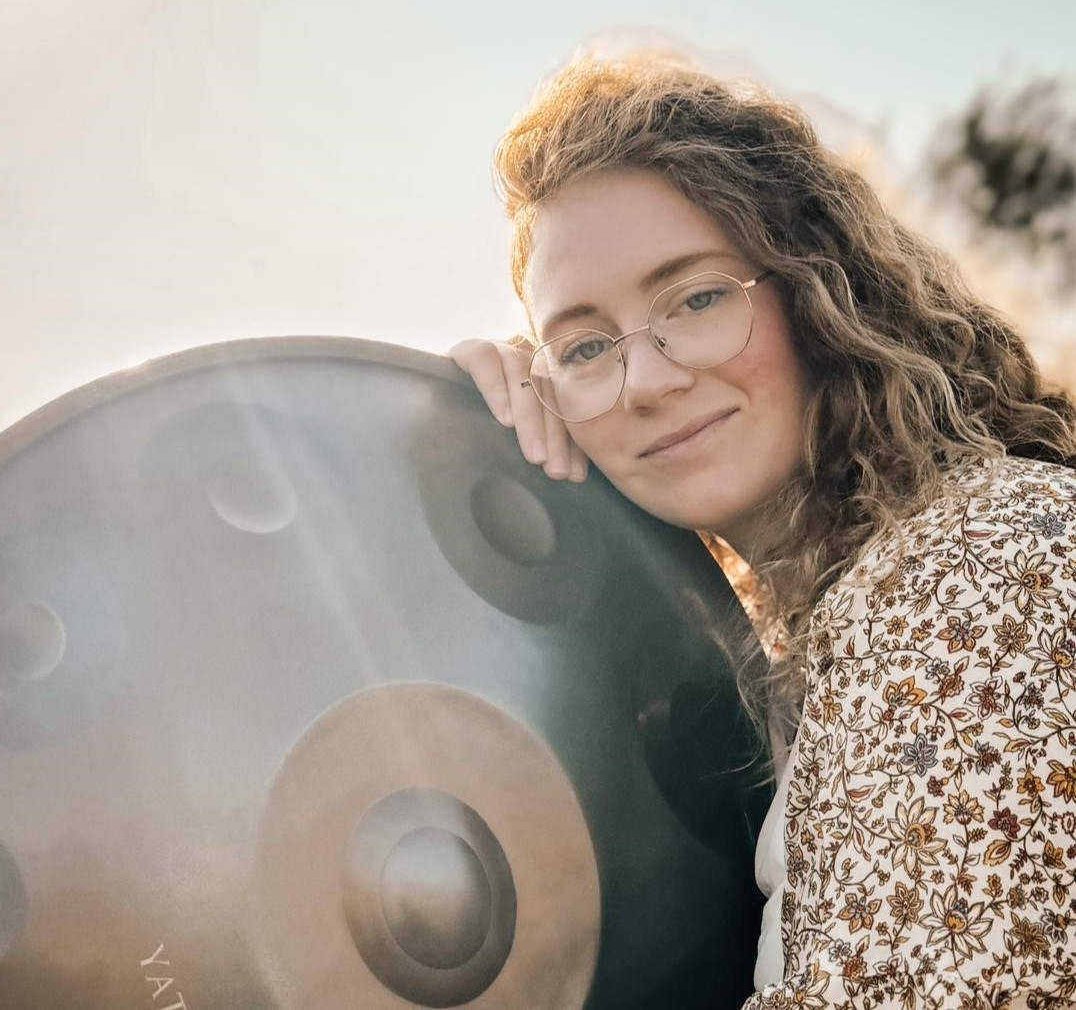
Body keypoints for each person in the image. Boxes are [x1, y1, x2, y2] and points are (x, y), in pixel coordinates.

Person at [451, 54, 1076, 1009]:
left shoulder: (965, 576)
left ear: (818, 290)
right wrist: (465, 439)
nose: (647, 379)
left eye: (696, 298)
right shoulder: (840, 622)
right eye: (584, 346)